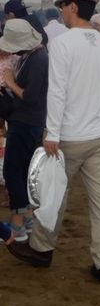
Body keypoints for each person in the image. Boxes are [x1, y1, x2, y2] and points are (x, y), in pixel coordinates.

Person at [7, 0, 100, 285]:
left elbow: (57, 92)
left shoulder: (64, 43)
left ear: (72, 6)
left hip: (71, 135)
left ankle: (41, 250)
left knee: (52, 196)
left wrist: (52, 132)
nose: (61, 11)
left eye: (62, 6)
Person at [0, 19, 48, 242]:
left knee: (13, 171)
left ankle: (18, 224)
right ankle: (27, 218)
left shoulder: (38, 59)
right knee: (21, 171)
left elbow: (30, 97)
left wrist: (10, 83)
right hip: (28, 121)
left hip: (26, 121)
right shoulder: (33, 56)